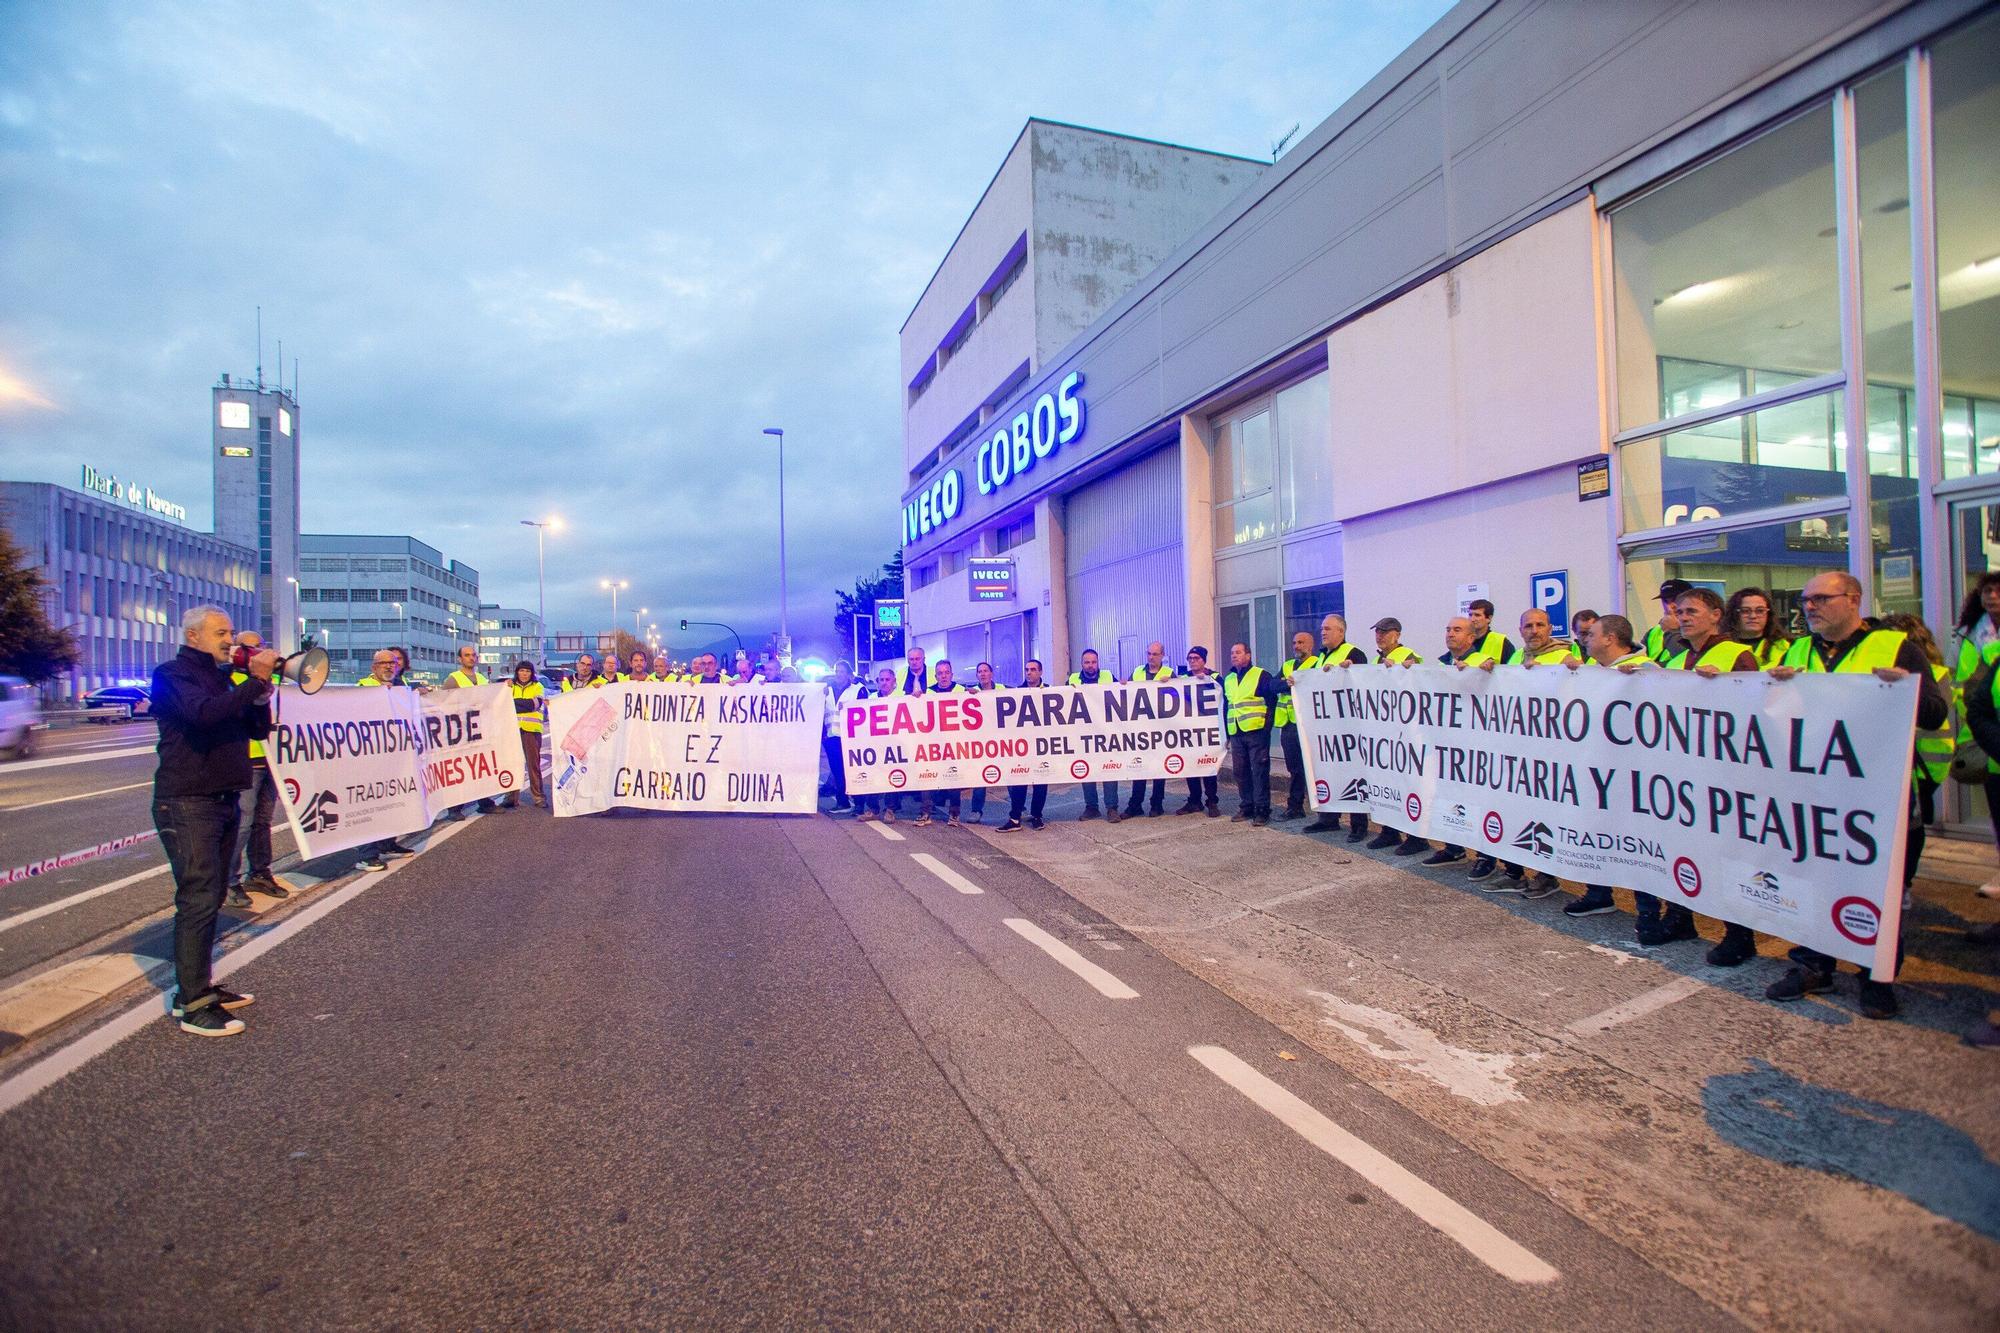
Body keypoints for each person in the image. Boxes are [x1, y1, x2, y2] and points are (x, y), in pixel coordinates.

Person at [1765, 571, 1948, 1020]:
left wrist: (1902, 686)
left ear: (1853, 600)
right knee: (1812, 877)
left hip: (1876, 795)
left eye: (1821, 599)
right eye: (1806, 600)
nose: (1809, 607)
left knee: (1879, 884)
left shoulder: (1894, 646)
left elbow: (1933, 713)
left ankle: (1877, 975)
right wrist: (1774, 687)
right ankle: (1813, 965)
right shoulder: (1800, 650)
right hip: (1816, 790)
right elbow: (1780, 717)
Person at [152, 606, 277, 1037]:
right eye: (221, 633)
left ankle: (197, 987)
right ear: (194, 636)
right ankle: (193, 1005)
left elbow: (258, 731)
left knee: (212, 894)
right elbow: (202, 714)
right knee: (198, 897)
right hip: (188, 802)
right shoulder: (172, 674)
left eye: (229, 632)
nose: (230, 640)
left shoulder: (225, 678)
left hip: (222, 798)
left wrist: (260, 694)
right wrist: (255, 681)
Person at [1555, 616, 1690, 944]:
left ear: (1611, 638)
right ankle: (1600, 893)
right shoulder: (1595, 669)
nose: (1585, 640)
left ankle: (1657, 913)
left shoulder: (1646, 670)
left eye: (1591, 635)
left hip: (1640, 777)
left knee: (1643, 845)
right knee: (1603, 831)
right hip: (1604, 771)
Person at [225, 629, 288, 908]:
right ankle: (229, 882)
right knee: (243, 824)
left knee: (263, 822)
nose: (254, 654)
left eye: (258, 648)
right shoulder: (230, 679)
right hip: (246, 761)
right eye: (247, 648)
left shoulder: (272, 680)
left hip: (270, 758)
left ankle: (260, 872)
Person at [354, 650, 421, 869]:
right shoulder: (363, 687)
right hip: (369, 759)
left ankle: (387, 843)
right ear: (373, 667)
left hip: (393, 756)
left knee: (391, 803)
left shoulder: (400, 687)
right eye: (383, 663)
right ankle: (367, 853)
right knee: (369, 807)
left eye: (392, 663)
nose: (389, 667)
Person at [1301, 616, 1367, 838]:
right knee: (1328, 771)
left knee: (1353, 774)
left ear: (1341, 631)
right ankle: (1328, 818)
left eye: (1328, 629)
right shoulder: (1321, 656)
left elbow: (1361, 682)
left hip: (1348, 727)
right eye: (1322, 629)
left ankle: (1359, 825)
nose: (1323, 632)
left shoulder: (1354, 653)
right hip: (1326, 727)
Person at [440, 645, 498, 816]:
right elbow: (444, 703)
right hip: (461, 732)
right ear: (460, 659)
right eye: (467, 655)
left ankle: (485, 801)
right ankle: (455, 808)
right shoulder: (454, 679)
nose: (471, 658)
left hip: (480, 730)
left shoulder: (481, 678)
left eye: (473, 655)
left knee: (482, 768)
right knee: (461, 770)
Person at [1222, 641, 1276, 825]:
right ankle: (1247, 807)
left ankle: (1262, 811)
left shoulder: (1261, 675)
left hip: (1256, 732)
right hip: (1236, 732)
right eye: (1232, 653)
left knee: (1259, 772)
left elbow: (1271, 701)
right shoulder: (1228, 679)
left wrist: (1266, 728)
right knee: (1240, 772)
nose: (1234, 655)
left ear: (1248, 655)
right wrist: (1227, 734)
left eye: (1238, 652)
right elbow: (1227, 706)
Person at [1122, 642, 1176, 819]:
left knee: (1159, 769)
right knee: (1140, 767)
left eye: (1155, 654)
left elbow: (1180, 696)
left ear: (1162, 655)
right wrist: (1122, 685)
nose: (1151, 657)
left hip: (1160, 730)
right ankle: (1135, 804)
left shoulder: (1169, 674)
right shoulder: (1138, 672)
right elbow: (1126, 693)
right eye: (1149, 654)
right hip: (1140, 730)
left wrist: (1173, 684)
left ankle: (1157, 804)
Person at [1068, 649, 1121, 822]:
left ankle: (1112, 808)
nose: (1090, 666)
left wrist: (1125, 685)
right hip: (1083, 733)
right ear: (1081, 664)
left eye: (1093, 662)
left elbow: (1121, 695)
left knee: (1109, 769)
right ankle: (1091, 807)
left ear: (1098, 662)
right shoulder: (1072, 679)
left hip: (1105, 732)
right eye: (1087, 662)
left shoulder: (1108, 676)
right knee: (1087, 770)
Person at [999, 659, 1051, 831]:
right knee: (1019, 780)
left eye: (1033, 669)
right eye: (1027, 670)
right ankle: (1015, 818)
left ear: (1041, 672)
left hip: (1042, 745)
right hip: (1022, 746)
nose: (1029, 672)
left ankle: (1037, 816)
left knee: (1040, 782)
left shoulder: (1050, 691)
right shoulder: (1016, 693)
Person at [1273, 630, 1319, 823]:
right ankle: (1296, 805)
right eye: (1294, 643)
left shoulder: (1318, 663)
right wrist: (1287, 683)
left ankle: (1317, 806)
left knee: (1312, 767)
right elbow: (1272, 686)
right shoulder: (1288, 665)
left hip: (1309, 723)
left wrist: (1297, 682)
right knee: (1294, 768)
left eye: (1301, 642)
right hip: (1289, 724)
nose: (1297, 646)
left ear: (1311, 645)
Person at [915, 659, 967, 827]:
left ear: (951, 674)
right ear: (935, 676)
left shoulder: (961, 691)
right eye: (940, 673)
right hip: (932, 744)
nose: (943, 676)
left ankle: (954, 814)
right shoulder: (928, 693)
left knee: (953, 780)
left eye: (946, 672)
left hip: (954, 744)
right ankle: (925, 813)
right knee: (927, 779)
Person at [1176, 647, 1223, 817]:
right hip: (1189, 731)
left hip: (1208, 730)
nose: (1193, 661)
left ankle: (1212, 801)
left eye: (1196, 658)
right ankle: (1194, 801)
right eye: (1190, 658)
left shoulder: (1215, 677)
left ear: (1204, 660)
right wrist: (1164, 682)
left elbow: (1224, 696)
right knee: (1191, 766)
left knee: (1208, 766)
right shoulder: (1183, 678)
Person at [854, 667, 899, 822]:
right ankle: (873, 809)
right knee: (873, 776)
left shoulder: (903, 697)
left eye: (888, 679)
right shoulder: (871, 698)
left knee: (894, 777)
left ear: (894, 682)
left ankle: (890, 809)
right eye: (881, 680)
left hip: (895, 745)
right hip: (875, 745)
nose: (884, 683)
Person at [503, 659, 547, 810]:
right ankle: (510, 797)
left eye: (527, 671)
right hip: (512, 730)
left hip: (531, 731)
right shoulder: (509, 686)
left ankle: (539, 797)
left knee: (533, 765)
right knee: (512, 764)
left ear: (531, 673)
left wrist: (514, 703)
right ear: (517, 672)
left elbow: (534, 704)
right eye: (521, 670)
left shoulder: (538, 686)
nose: (524, 674)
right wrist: (520, 703)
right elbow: (503, 704)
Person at [967, 661, 1005, 823]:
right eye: (979, 672)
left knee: (1011, 775)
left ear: (991, 673)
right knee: (980, 778)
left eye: (985, 671)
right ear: (977, 675)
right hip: (982, 742)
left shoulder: (1003, 689)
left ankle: (1019, 809)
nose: (982, 674)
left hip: (1002, 740)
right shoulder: (971, 693)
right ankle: (976, 810)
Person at [1723, 586, 1790, 669]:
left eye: (1760, 611)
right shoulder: (1721, 647)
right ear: (1733, 614)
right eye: (1745, 611)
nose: (1753, 616)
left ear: (1769, 614)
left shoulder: (1786, 646)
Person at [821, 660, 857, 813]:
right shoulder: (827, 691)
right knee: (837, 770)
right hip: (832, 738)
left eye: (842, 671)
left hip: (850, 738)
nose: (838, 674)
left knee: (850, 770)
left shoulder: (857, 690)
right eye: (837, 671)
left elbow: (865, 710)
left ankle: (855, 801)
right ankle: (843, 801)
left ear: (849, 675)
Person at [1642, 578, 1693, 663]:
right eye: (1665, 601)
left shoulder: (1698, 629)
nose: (1670, 606)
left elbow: (1688, 660)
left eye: (1675, 599)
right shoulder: (1654, 632)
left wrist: (1671, 631)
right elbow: (1640, 660)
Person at [1465, 599, 1519, 665]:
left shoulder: (1501, 642)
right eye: (1470, 615)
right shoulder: (1463, 641)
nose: (1472, 619)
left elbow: (1511, 670)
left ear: (1489, 618)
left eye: (1477, 615)